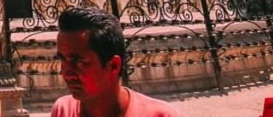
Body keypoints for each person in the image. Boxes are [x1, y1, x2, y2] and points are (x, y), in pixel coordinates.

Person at [50, 7, 183, 117]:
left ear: (113, 66)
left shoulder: (160, 115)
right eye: (63, 59)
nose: (66, 72)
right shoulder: (64, 110)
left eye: (79, 62)